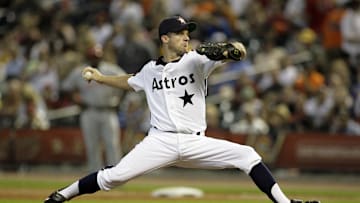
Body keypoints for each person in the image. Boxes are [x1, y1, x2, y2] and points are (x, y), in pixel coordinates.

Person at [44, 16, 320, 203]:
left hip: (194, 141)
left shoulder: (197, 60)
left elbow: (239, 51)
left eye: (188, 33)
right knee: (113, 176)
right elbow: (130, 81)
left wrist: (231, 50)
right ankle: (60, 196)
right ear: (165, 38)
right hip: (160, 140)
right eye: (180, 33)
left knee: (247, 155)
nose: (186, 38)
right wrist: (100, 77)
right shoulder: (149, 70)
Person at [61, 44, 125, 172]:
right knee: (92, 145)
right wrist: (76, 100)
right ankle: (94, 175)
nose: (94, 59)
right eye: (92, 57)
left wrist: (120, 101)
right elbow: (65, 88)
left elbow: (125, 82)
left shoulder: (110, 69)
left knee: (112, 144)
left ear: (101, 57)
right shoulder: (80, 71)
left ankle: (116, 174)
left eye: (96, 57)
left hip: (108, 110)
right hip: (89, 110)